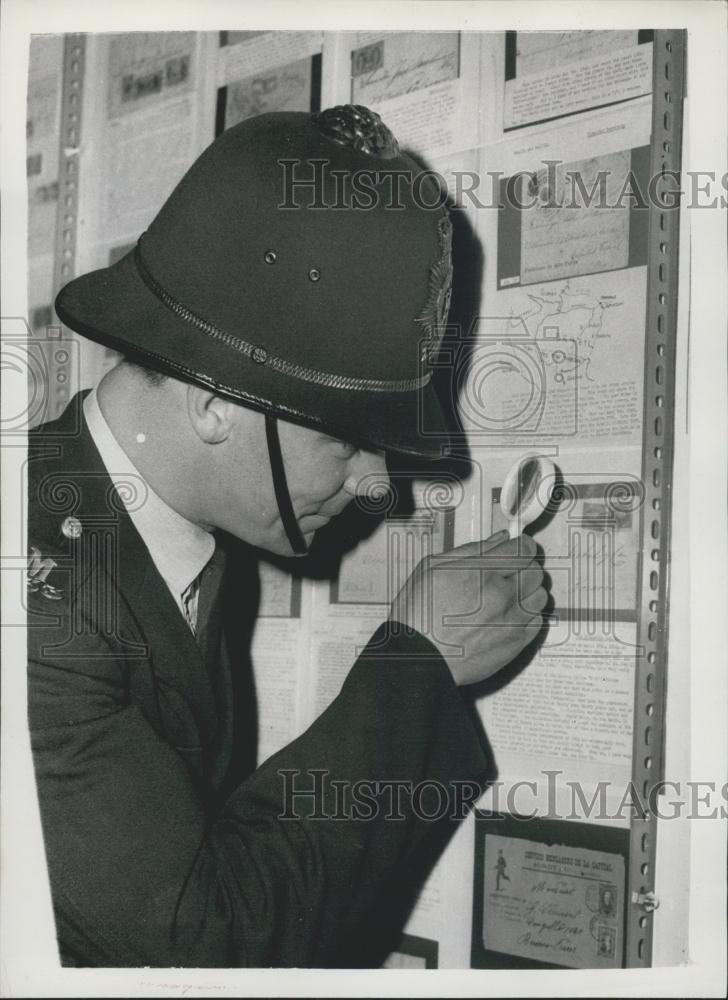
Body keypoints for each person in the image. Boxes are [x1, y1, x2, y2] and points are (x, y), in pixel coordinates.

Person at [26, 105, 547, 967]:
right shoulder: (40, 618)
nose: (377, 483)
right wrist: (413, 670)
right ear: (216, 404)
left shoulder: (168, 534)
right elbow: (204, 946)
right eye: (344, 435)